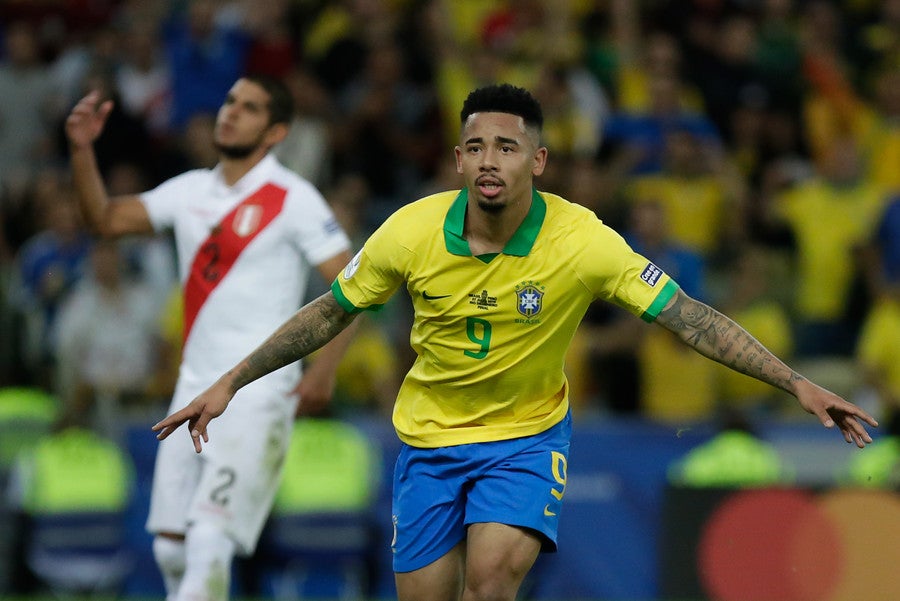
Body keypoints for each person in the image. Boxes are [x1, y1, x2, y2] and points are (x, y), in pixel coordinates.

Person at [154, 83, 878, 601]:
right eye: (475, 147)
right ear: (458, 160)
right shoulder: (409, 231)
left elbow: (688, 317)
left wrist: (795, 382)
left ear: (538, 160)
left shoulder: (582, 240)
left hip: (526, 439)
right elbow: (327, 313)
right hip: (429, 441)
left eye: (506, 146)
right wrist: (230, 381)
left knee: (492, 581)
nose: (489, 160)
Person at [65, 74, 355, 601]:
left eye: (249, 107)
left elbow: (354, 289)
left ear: (276, 132)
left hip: (259, 391)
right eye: (229, 101)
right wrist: (83, 150)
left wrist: (324, 371)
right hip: (191, 387)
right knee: (170, 548)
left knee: (209, 539)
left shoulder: (294, 198)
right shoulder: (189, 191)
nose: (231, 112)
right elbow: (105, 220)